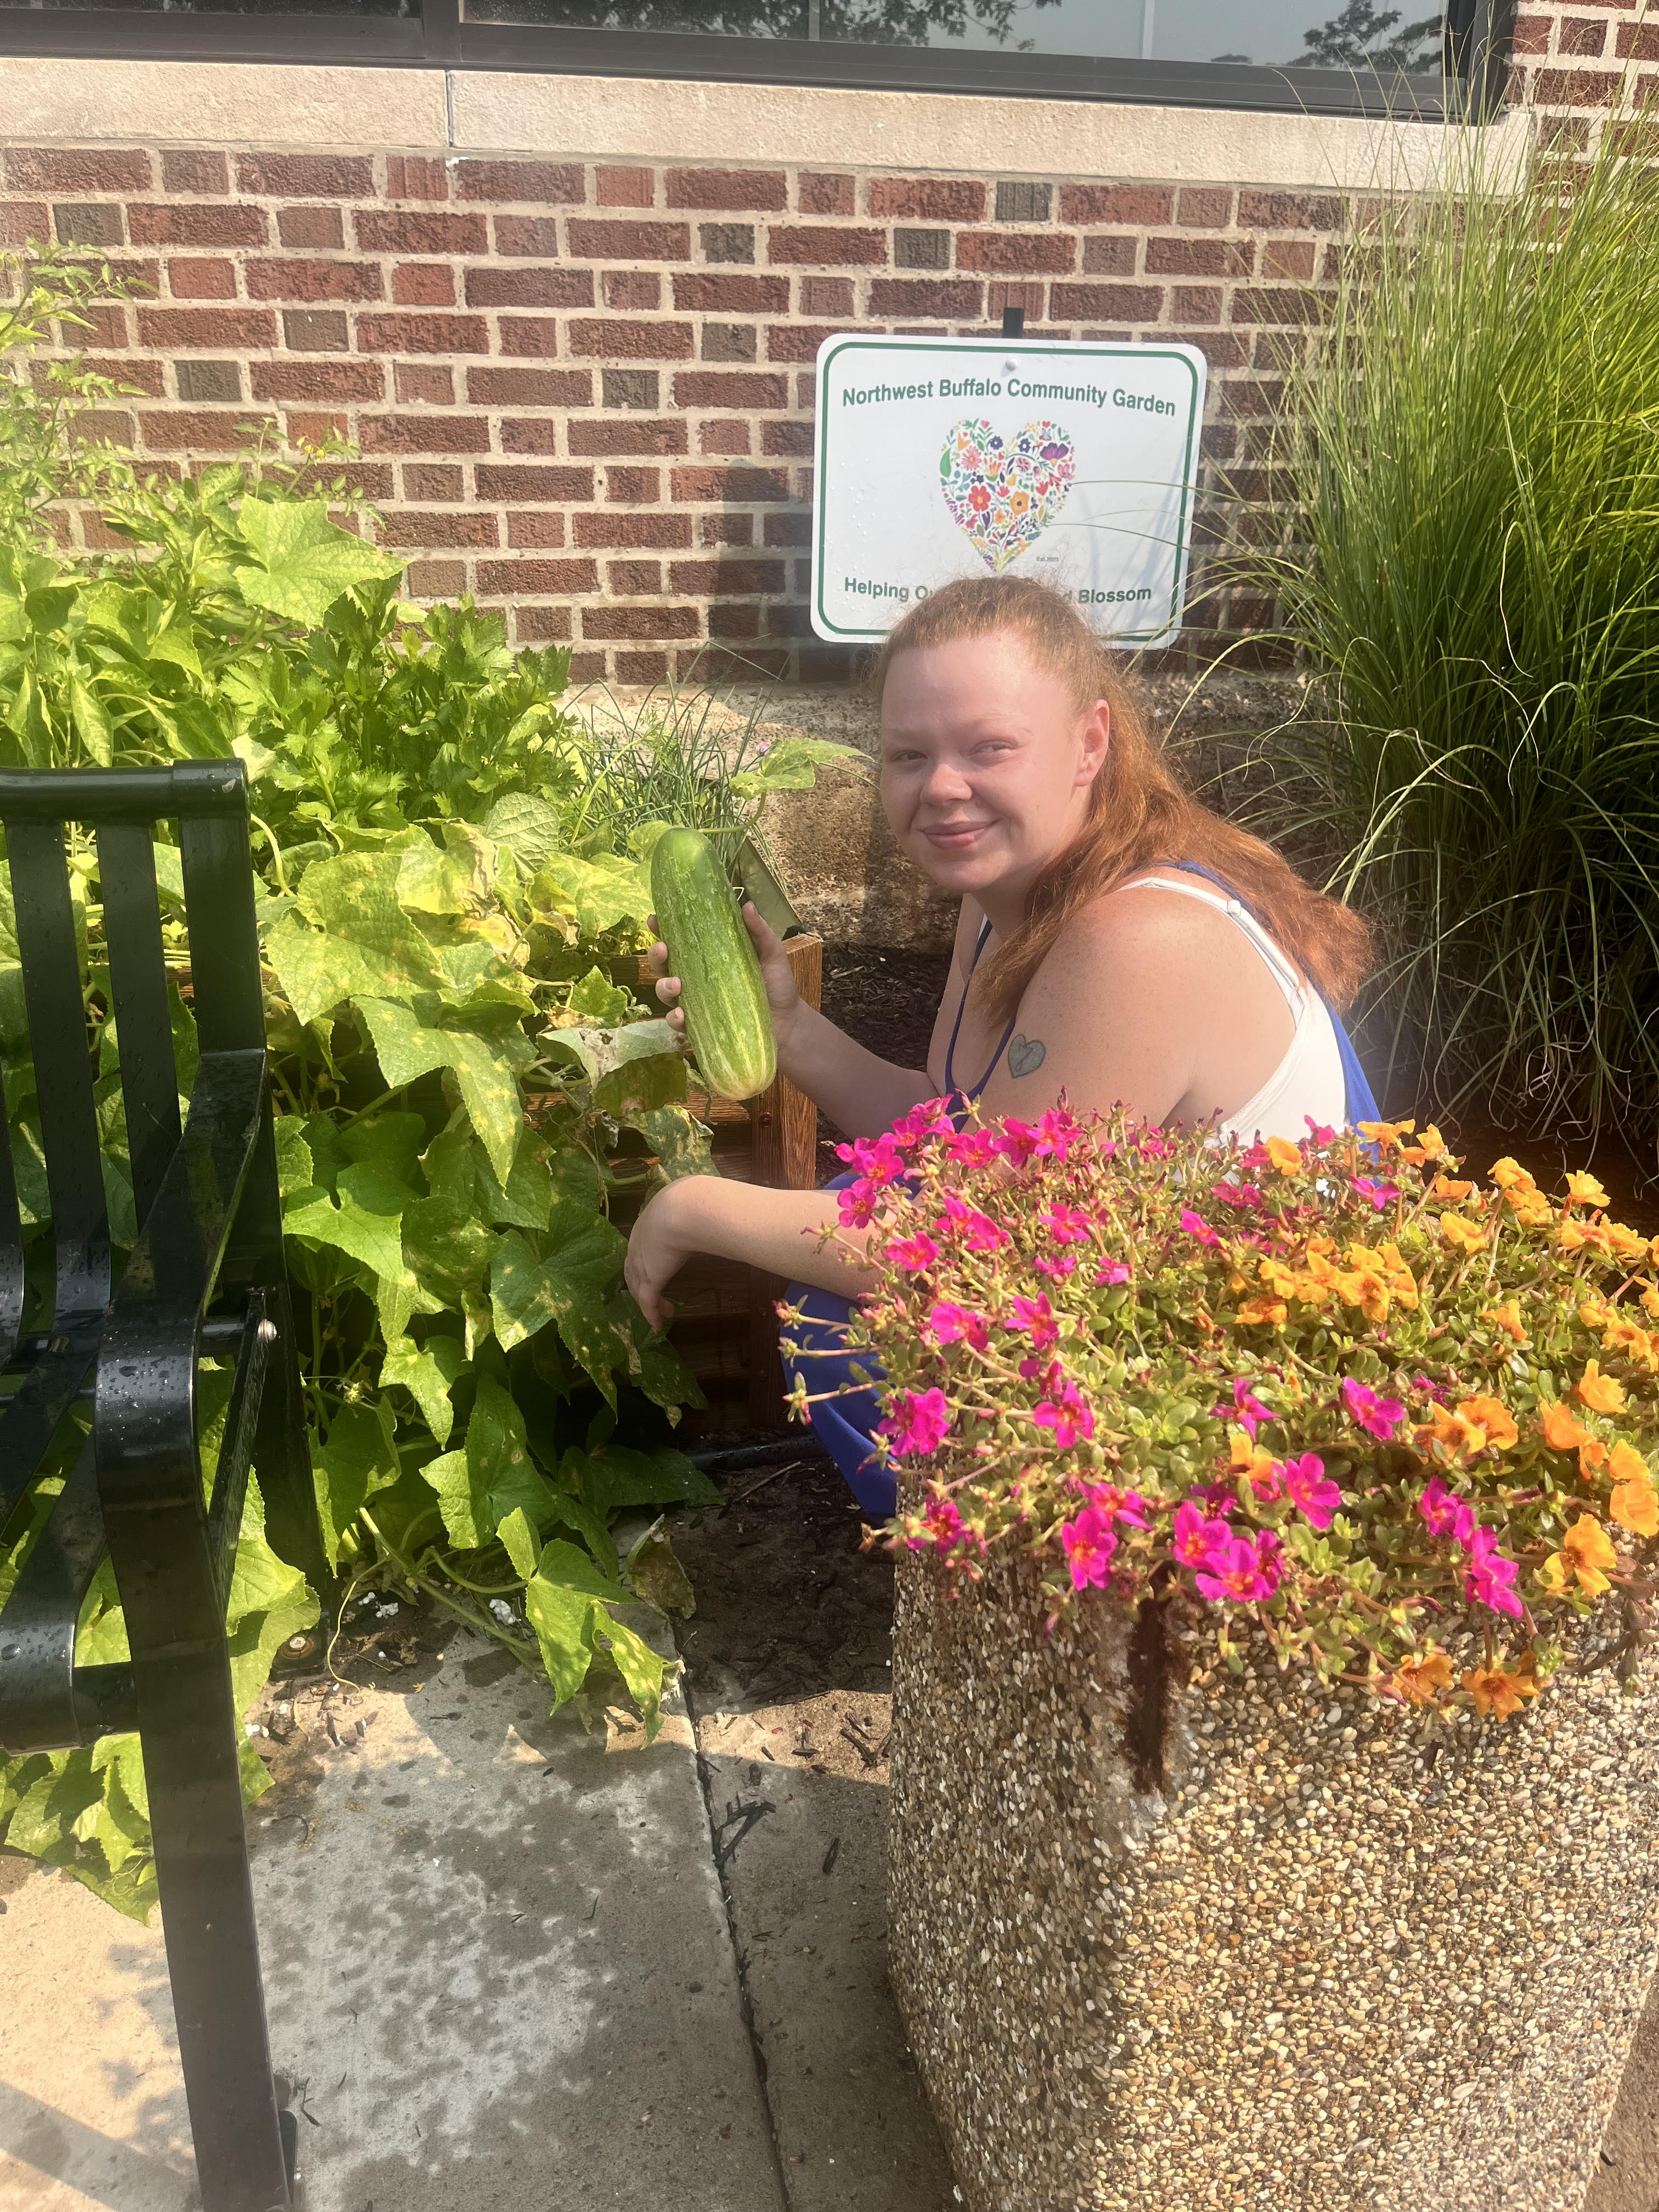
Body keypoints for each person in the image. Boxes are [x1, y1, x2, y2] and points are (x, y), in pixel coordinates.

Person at [622, 574, 1376, 1518]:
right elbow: (955, 1136)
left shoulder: (1135, 941)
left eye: (990, 747)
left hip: (1266, 1402)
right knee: (850, 1224)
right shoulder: (1008, 898)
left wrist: (690, 1208)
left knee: (848, 1321)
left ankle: (1036, 1609)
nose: (942, 787)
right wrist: (790, 1033)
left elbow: (954, 1250)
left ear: (1089, 743)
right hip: (1154, 1295)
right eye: (908, 755)